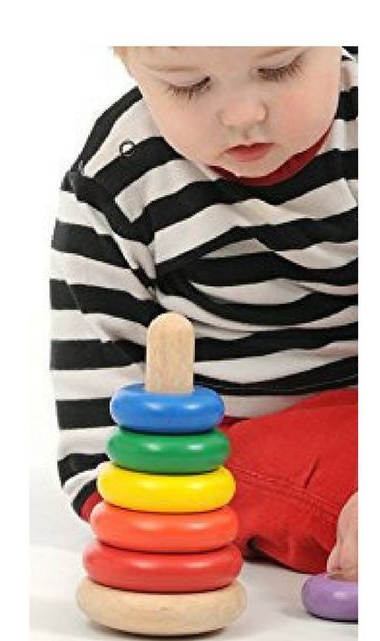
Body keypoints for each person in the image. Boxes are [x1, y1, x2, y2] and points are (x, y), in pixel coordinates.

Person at [50, 47, 357, 580]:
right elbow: (99, 364)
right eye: (188, 85)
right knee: (236, 478)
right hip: (240, 437)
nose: (242, 115)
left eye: (278, 69)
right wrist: (130, 507)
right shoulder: (120, 179)